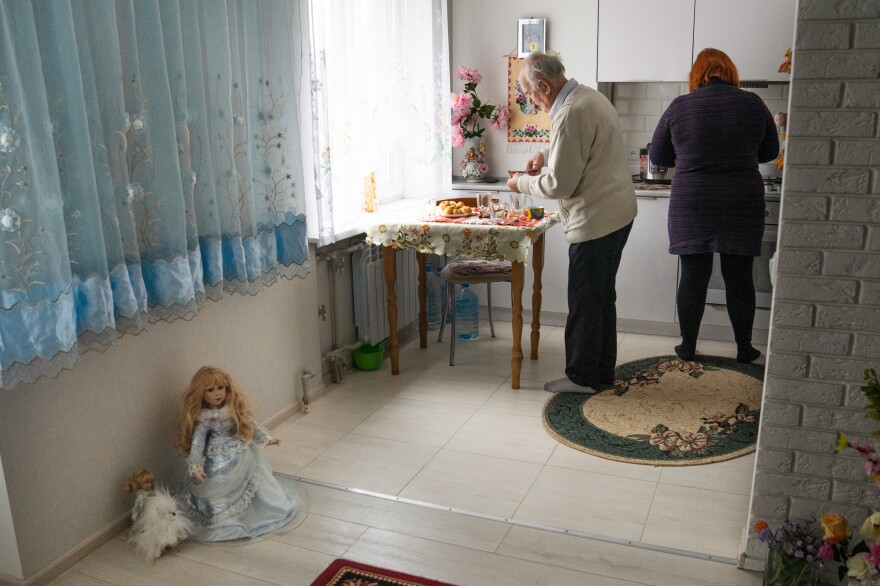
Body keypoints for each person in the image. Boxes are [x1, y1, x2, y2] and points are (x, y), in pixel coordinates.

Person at [507, 52, 637, 394]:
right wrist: (545, 154)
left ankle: (581, 378)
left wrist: (519, 182)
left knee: (584, 302)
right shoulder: (590, 97)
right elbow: (580, 146)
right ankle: (601, 374)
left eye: (532, 95)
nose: (533, 102)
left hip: (596, 220)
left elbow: (558, 186)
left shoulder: (570, 113)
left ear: (544, 85)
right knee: (601, 299)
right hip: (617, 214)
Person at [649, 48, 779, 364]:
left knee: (693, 274)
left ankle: (688, 346)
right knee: (740, 275)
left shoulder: (679, 106)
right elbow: (771, 151)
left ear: (697, 75)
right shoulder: (752, 103)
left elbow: (658, 156)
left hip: (692, 199)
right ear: (730, 72)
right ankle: (745, 347)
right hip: (740, 198)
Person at [177, 365, 304, 541]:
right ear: (201, 393)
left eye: (221, 388)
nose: (217, 393)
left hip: (238, 452)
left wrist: (266, 438)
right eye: (210, 390)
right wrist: (195, 465)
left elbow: (250, 424)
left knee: (250, 480)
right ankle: (225, 517)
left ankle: (253, 511)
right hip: (215, 458)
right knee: (217, 485)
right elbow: (197, 443)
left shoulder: (232, 409)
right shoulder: (204, 418)